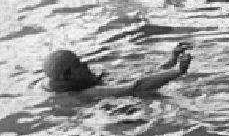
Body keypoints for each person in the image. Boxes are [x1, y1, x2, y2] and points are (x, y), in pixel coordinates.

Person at [43, 42, 191, 97]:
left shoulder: (77, 83)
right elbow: (136, 87)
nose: (85, 65)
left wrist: (171, 60)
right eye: (78, 65)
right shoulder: (87, 92)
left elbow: (143, 76)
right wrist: (178, 71)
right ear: (66, 75)